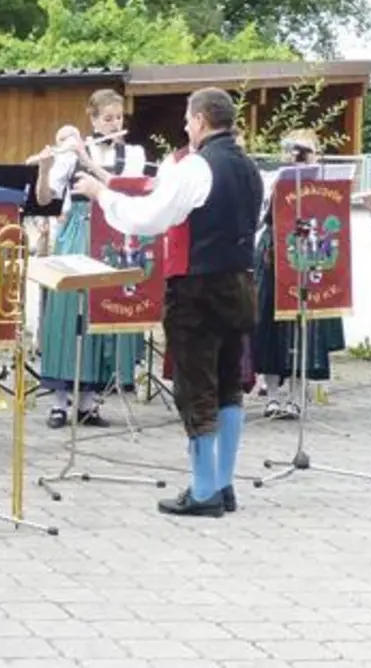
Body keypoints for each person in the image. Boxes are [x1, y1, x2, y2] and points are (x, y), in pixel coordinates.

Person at [74, 87, 261, 518]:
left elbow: (149, 218)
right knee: (230, 384)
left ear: (199, 121)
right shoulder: (250, 167)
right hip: (239, 282)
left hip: (197, 286)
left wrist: (102, 196)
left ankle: (202, 491)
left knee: (196, 388)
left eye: (187, 120)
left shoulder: (196, 165)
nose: (185, 126)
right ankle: (224, 484)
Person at [30, 89, 150, 428]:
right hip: (78, 233)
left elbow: (126, 189)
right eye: (107, 118)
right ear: (93, 118)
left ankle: (88, 402)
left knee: (103, 310)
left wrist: (87, 160)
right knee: (67, 314)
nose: (113, 123)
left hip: (113, 234)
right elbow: (44, 201)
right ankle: (58, 401)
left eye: (118, 118)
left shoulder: (134, 153)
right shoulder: (72, 152)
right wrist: (44, 168)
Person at [251, 129, 347, 419]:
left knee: (303, 326)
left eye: (306, 151)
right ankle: (272, 395)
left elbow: (335, 216)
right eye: (295, 150)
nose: (300, 156)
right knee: (269, 321)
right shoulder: (273, 179)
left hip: (310, 255)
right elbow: (258, 219)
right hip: (273, 255)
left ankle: (295, 395)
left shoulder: (324, 182)